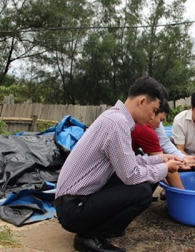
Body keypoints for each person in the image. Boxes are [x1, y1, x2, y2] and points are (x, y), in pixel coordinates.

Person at [54, 76, 183, 252]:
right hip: (73, 209)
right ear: (142, 101)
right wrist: (164, 169)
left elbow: (128, 161)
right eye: (153, 110)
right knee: (142, 192)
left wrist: (160, 159)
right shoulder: (118, 123)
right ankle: (89, 237)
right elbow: (130, 175)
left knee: (144, 178)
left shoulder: (114, 117)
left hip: (73, 202)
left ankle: (101, 230)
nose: (153, 117)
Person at [131, 98, 184, 199]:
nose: (159, 124)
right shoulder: (145, 129)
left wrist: (183, 158)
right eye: (160, 119)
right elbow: (164, 164)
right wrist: (185, 196)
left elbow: (164, 143)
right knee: (145, 190)